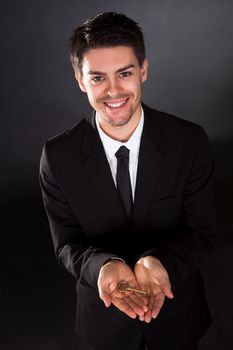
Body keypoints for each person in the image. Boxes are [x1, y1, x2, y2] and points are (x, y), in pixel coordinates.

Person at [39, 12, 216, 350]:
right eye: (97, 78)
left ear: (143, 71)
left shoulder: (189, 141)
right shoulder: (57, 155)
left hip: (178, 314)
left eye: (125, 73)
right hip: (103, 323)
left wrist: (160, 262)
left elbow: (202, 234)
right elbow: (66, 245)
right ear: (80, 80)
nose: (114, 91)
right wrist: (102, 266)